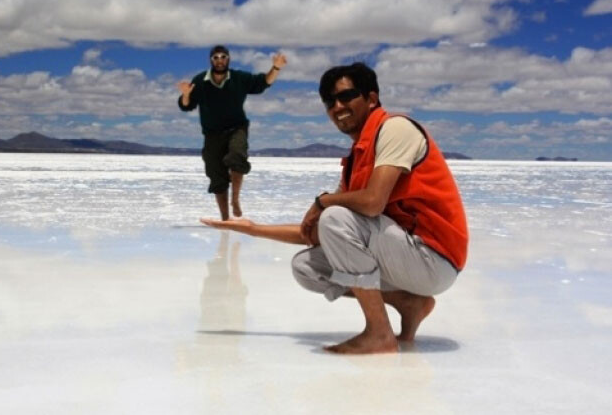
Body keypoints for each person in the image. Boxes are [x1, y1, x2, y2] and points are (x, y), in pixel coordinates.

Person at [201, 62, 468, 354]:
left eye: (346, 96)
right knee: (306, 267)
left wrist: (323, 201)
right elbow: (318, 233)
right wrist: (253, 230)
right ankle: (408, 302)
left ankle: (379, 334)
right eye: (329, 102)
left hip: (435, 258)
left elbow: (372, 202)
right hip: (405, 256)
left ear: (372, 98)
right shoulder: (357, 160)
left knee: (335, 217)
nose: (337, 106)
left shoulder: (395, 129)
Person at [178, 45, 288, 220]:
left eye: (223, 57)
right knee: (216, 176)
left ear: (228, 59)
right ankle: (225, 219)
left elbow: (263, 83)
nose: (220, 60)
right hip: (212, 134)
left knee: (236, 156)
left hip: (236, 128)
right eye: (216, 57)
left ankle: (235, 200)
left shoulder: (238, 78)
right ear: (211, 60)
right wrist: (185, 94)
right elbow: (187, 106)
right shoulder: (200, 81)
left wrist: (276, 67)